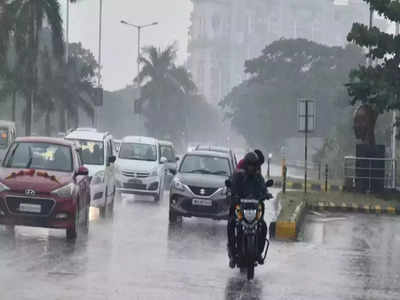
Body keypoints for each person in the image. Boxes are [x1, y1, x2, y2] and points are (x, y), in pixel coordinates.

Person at [227, 151, 269, 268]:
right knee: (231, 223)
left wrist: (266, 194)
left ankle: (259, 253)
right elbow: (233, 187)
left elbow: (263, 189)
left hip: (254, 210)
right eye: (249, 165)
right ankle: (232, 252)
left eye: (253, 165)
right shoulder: (239, 176)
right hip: (241, 209)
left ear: (256, 166)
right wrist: (233, 194)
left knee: (263, 225)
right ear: (246, 165)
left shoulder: (259, 177)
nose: (251, 168)